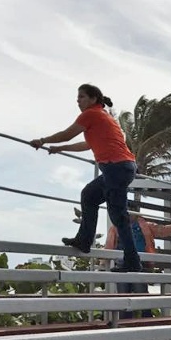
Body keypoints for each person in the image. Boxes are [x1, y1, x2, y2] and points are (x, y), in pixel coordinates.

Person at [31, 84, 141, 272]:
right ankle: (84, 240)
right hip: (120, 167)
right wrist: (61, 149)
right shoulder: (103, 117)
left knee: (118, 216)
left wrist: (42, 141)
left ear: (93, 99)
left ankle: (132, 261)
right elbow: (86, 144)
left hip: (116, 167)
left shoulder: (91, 115)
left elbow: (67, 134)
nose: (78, 100)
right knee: (89, 195)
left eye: (81, 97)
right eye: (78, 97)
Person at [105, 204, 171, 317]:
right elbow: (109, 245)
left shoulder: (145, 225)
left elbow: (162, 230)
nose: (129, 213)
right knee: (123, 294)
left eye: (132, 210)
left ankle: (146, 318)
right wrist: (102, 261)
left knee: (141, 292)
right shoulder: (116, 227)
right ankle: (125, 321)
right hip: (121, 263)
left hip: (140, 262)